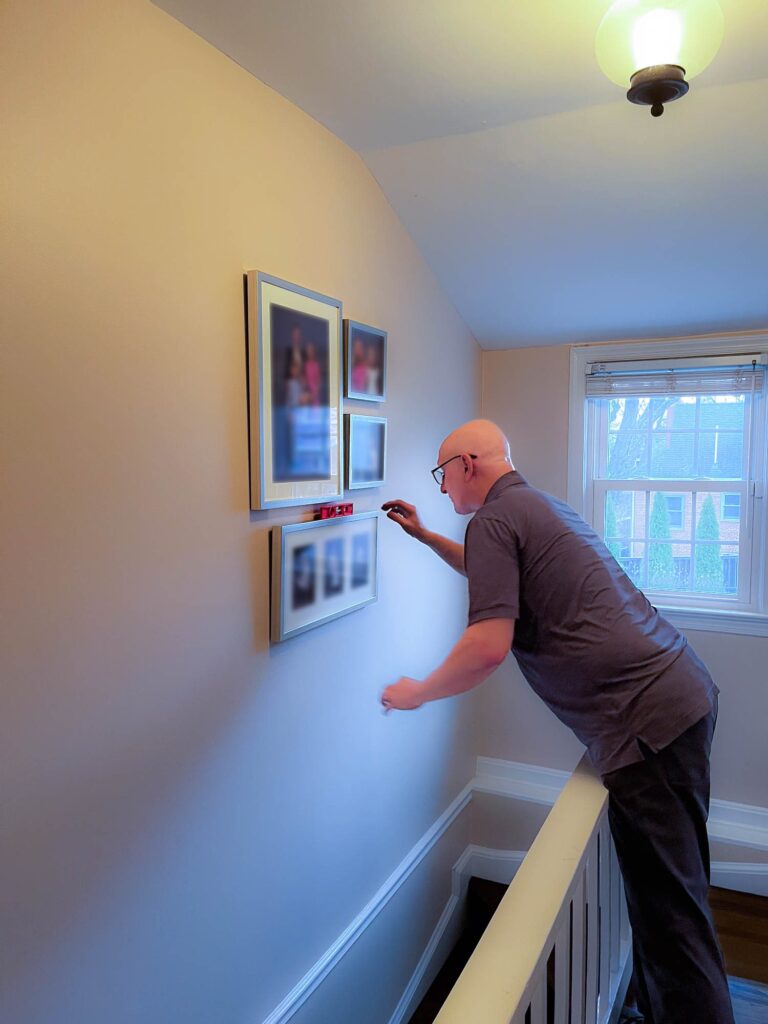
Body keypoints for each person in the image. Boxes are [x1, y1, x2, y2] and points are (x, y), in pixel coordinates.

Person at [380, 419, 734, 1024]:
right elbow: (493, 573)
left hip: (646, 725)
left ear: (467, 465)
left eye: (442, 474)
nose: (442, 488)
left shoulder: (494, 519)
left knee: (673, 919)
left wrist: (420, 691)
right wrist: (426, 537)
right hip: (678, 697)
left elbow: (488, 646)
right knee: (665, 901)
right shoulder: (535, 507)